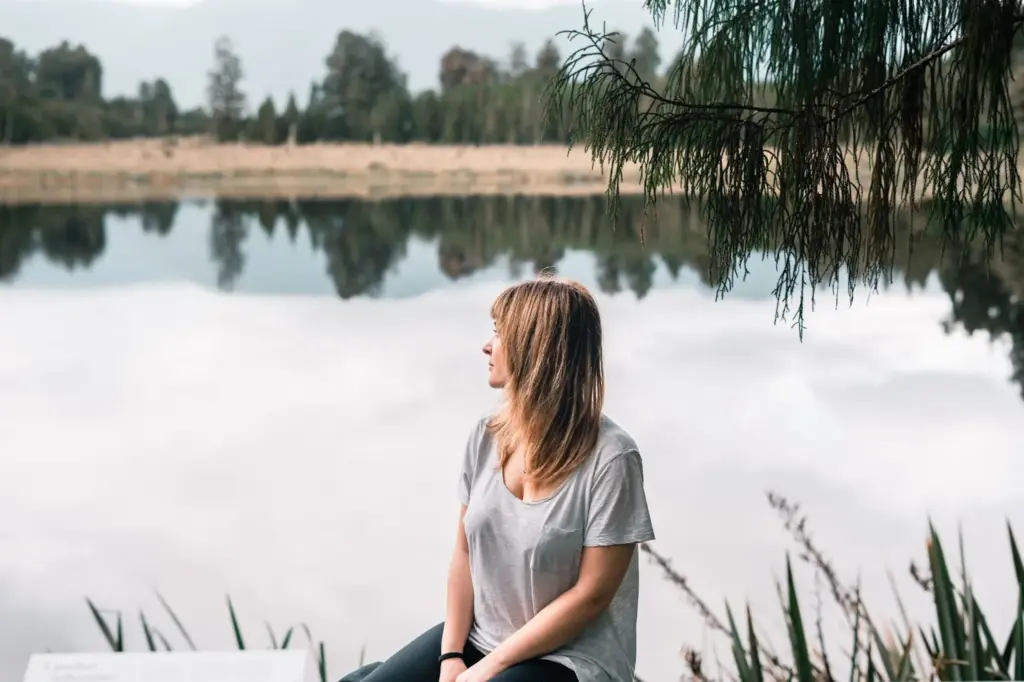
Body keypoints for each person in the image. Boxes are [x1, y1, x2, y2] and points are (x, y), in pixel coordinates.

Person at [362, 274, 656, 682]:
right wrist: (451, 656)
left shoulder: (613, 457)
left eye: (499, 333)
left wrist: (490, 668)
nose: (487, 345)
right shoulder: (486, 436)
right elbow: (463, 554)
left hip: (570, 658)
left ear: (536, 349)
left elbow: (592, 596)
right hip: (482, 637)